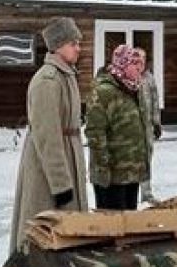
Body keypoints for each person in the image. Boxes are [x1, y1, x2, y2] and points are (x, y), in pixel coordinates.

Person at [8, 17, 89, 253]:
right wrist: (61, 186)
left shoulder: (66, 76)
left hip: (67, 158)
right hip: (48, 174)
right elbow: (48, 138)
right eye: (73, 43)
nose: (78, 48)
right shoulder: (48, 81)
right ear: (59, 45)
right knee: (44, 230)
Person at [85, 44, 150, 210]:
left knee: (129, 226)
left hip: (130, 173)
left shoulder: (132, 89)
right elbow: (95, 132)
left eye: (140, 64)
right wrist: (103, 168)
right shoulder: (104, 91)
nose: (138, 68)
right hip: (112, 176)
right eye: (133, 63)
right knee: (112, 226)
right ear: (122, 64)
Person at [136, 52, 164, 203]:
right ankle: (131, 193)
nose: (141, 62)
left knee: (147, 158)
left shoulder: (149, 78)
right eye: (138, 59)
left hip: (147, 126)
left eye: (143, 59)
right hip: (132, 127)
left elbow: (155, 101)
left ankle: (146, 193)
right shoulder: (129, 77)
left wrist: (156, 123)